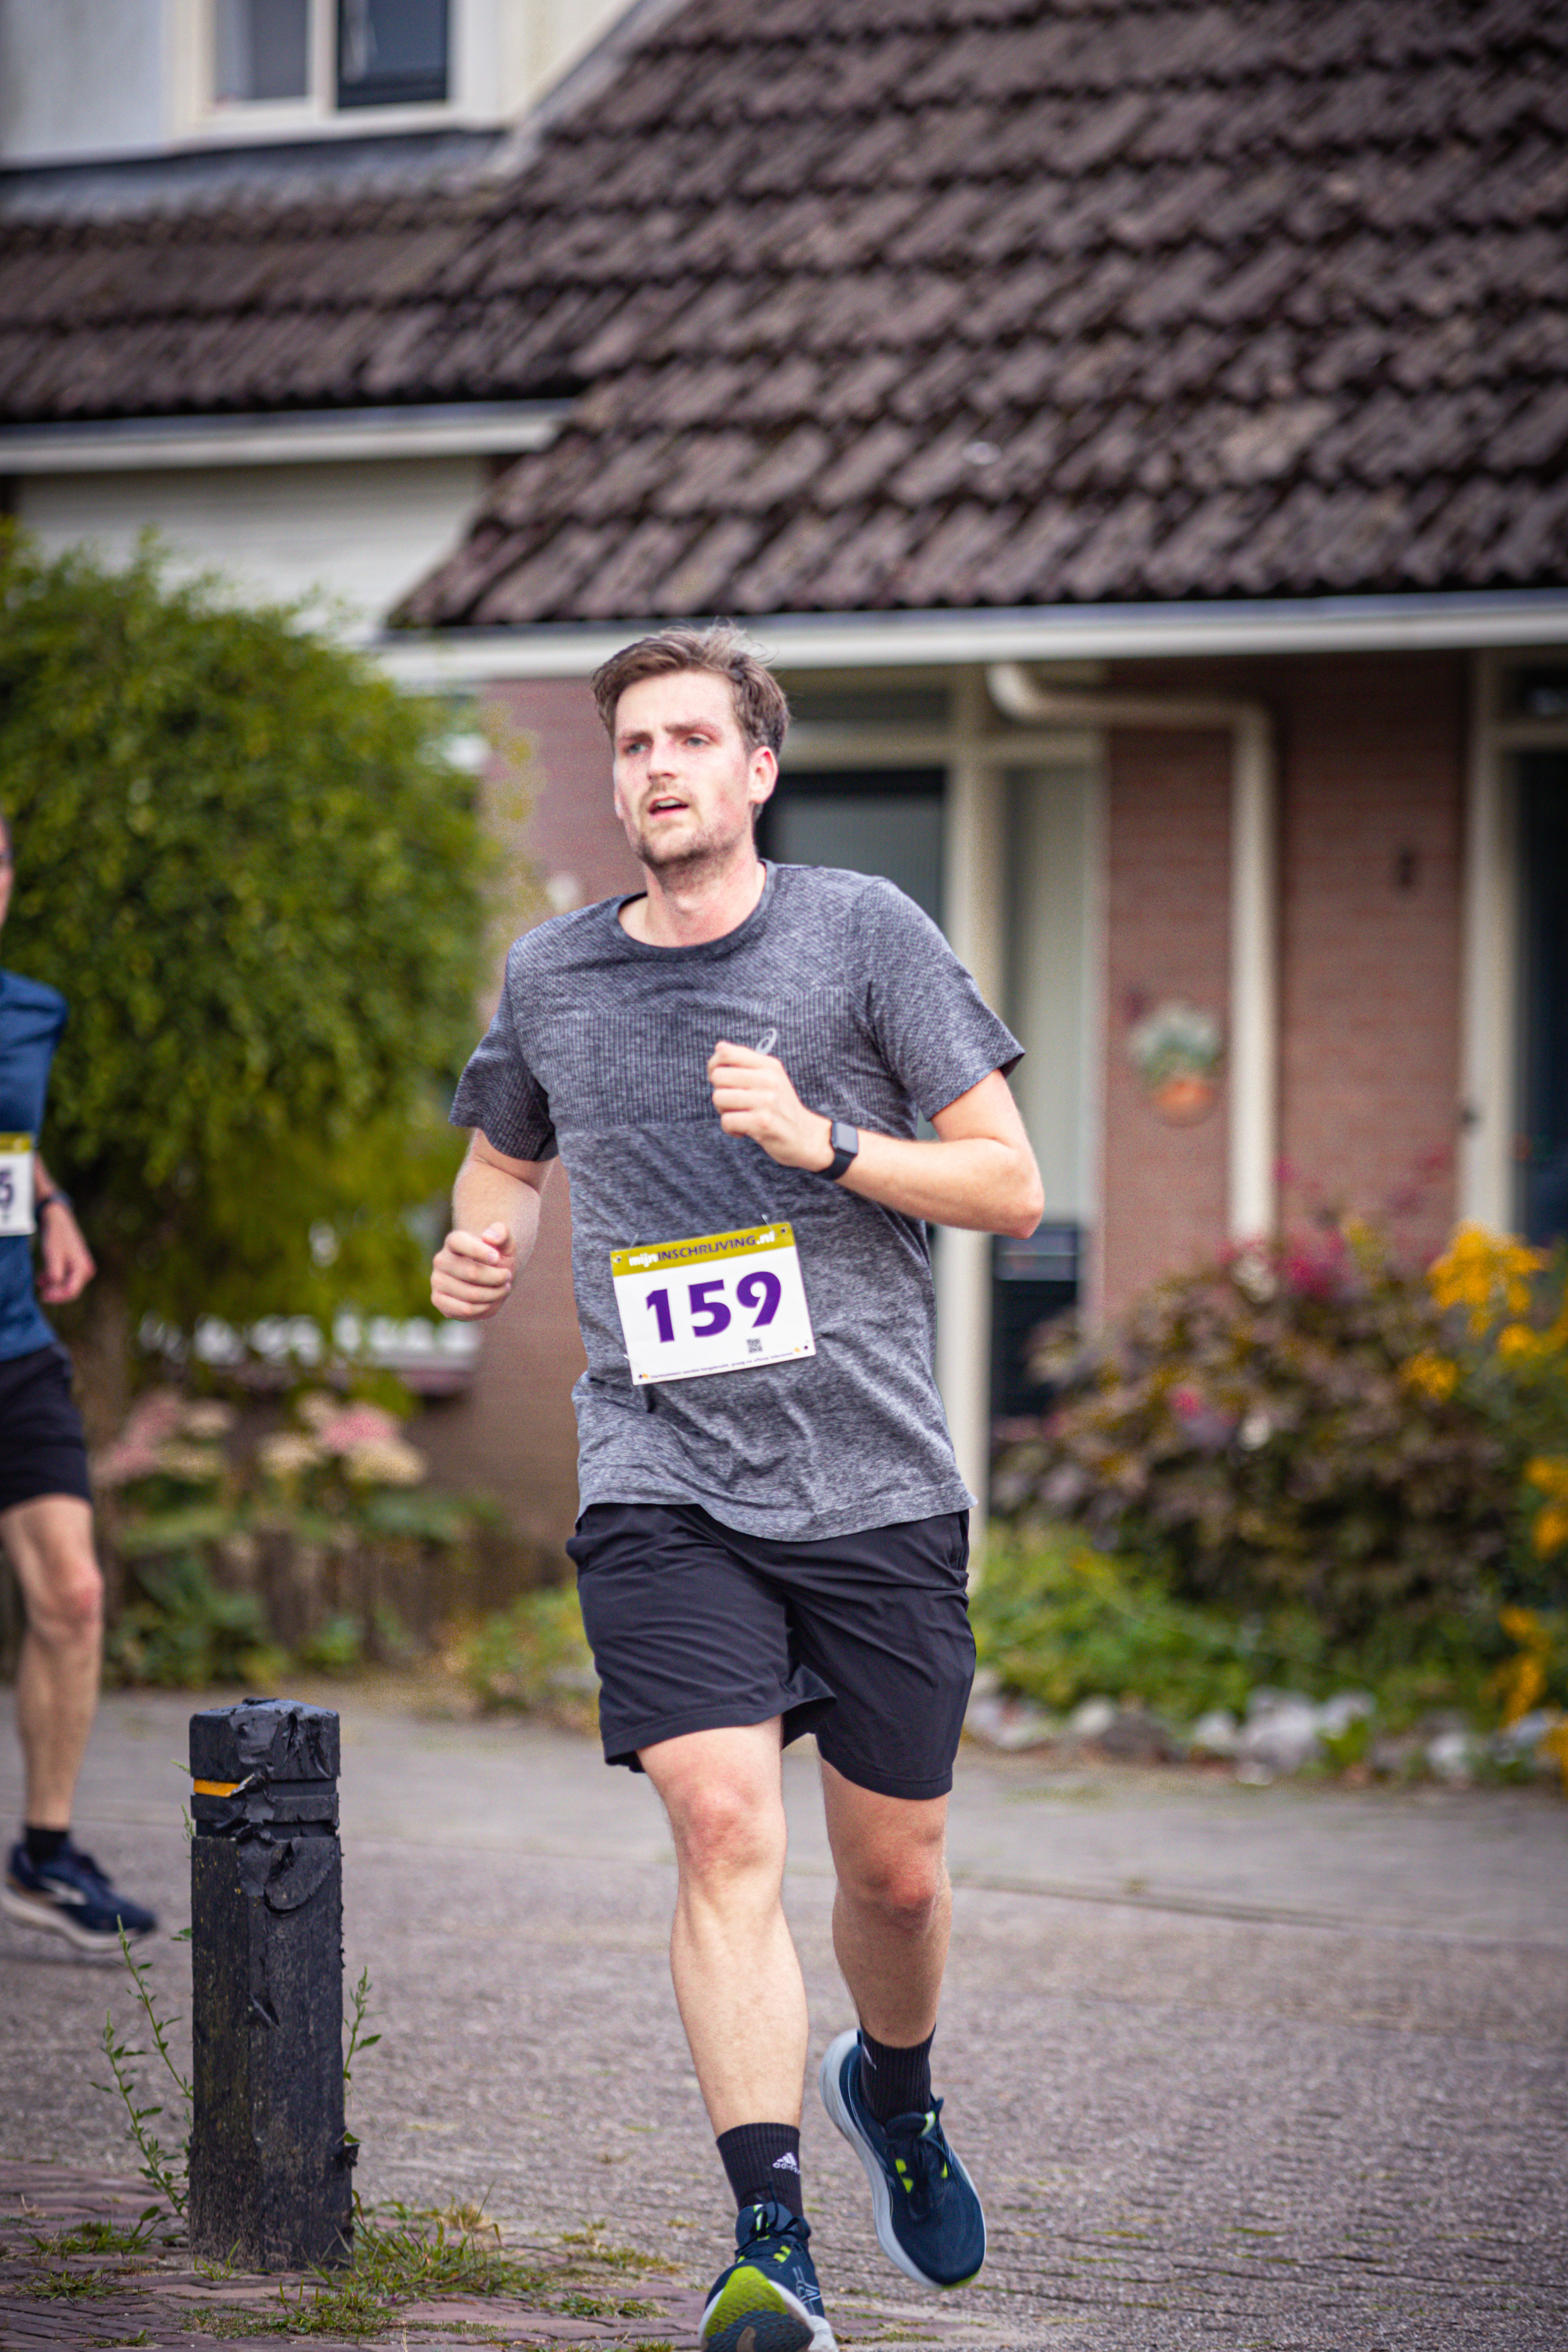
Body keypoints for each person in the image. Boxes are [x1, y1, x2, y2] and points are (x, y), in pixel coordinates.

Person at [431, 626, 1042, 2352]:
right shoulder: (553, 975)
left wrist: (821, 1140)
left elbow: (1007, 1185)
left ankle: (894, 2094)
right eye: (634, 744)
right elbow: (500, 1161)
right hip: (660, 1470)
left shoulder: (863, 934)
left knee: (895, 1882)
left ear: (757, 770)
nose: (660, 769)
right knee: (718, 1824)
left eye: (692, 739)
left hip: (871, 1474)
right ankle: (771, 2242)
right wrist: (478, 1249)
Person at [0, 809, 157, 1957]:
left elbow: (12, 1136)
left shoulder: (32, 1012)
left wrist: (50, 1201)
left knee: (73, 1594)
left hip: (14, 1346)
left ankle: (44, 1854)